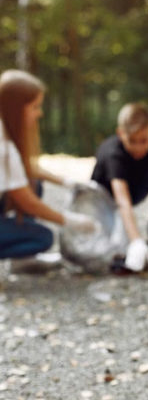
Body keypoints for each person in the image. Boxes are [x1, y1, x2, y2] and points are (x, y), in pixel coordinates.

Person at [0, 69, 96, 270]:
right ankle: (22, 256)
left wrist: (65, 182)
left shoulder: (5, 132)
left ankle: (23, 261)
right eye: (35, 107)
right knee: (43, 237)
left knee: (35, 185)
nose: (40, 113)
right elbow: (26, 201)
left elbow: (24, 171)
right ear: (16, 108)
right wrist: (70, 221)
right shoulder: (3, 148)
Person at [91, 102, 148, 272]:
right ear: (120, 133)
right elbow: (122, 201)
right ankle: (133, 243)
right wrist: (136, 240)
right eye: (132, 141)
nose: (138, 148)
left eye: (144, 141)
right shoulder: (113, 153)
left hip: (136, 190)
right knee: (114, 248)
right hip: (107, 199)